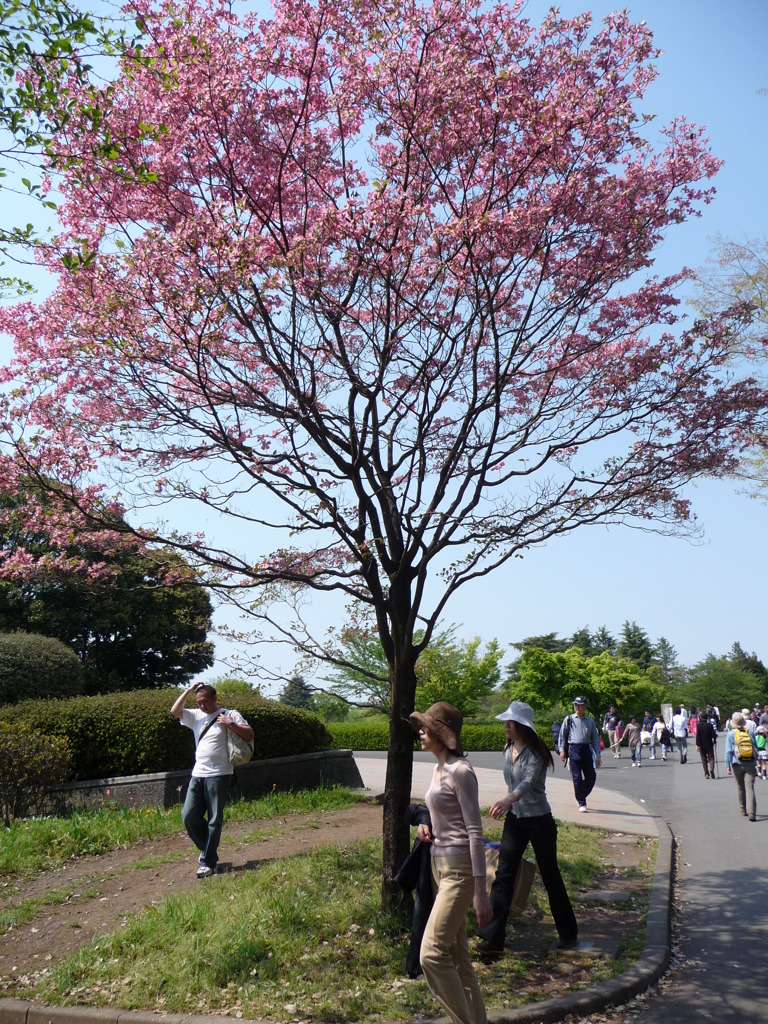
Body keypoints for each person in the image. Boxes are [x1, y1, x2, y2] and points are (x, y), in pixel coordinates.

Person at [409, 702, 492, 1024]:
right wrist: (426, 824)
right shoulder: (438, 768)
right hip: (437, 866)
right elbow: (445, 813)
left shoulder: (461, 771)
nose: (421, 732)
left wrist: (480, 890)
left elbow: (474, 830)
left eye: (426, 728)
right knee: (459, 959)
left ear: (442, 735)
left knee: (431, 954)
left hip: (459, 870)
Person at [475, 701, 578, 957]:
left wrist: (507, 799)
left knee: (550, 875)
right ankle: (493, 940)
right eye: (506, 722)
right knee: (503, 877)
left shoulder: (537, 754)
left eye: (511, 722)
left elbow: (529, 782)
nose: (506, 726)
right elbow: (513, 784)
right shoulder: (507, 749)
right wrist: (508, 803)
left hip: (539, 820)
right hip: (515, 820)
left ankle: (568, 933)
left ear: (523, 725)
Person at [171, 681, 254, 877]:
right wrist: (189, 690)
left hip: (221, 774)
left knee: (214, 820)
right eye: (199, 702)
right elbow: (175, 711)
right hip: (198, 774)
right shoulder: (196, 715)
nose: (202, 706)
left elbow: (249, 734)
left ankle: (208, 862)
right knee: (188, 815)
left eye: (205, 701)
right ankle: (208, 850)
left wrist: (230, 724)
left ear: (215, 698)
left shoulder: (230, 714)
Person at [559, 696, 602, 812]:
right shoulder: (569, 719)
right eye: (575, 705)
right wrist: (562, 750)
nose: (577, 707)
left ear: (585, 707)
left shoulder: (590, 721)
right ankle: (581, 801)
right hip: (573, 749)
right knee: (576, 778)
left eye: (580, 705)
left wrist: (598, 755)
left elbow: (595, 740)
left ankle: (580, 794)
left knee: (591, 777)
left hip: (586, 750)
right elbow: (562, 736)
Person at [724, 711, 757, 821]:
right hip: (750, 764)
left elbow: (728, 751)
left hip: (736, 763)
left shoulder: (731, 734)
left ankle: (743, 809)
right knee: (750, 788)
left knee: (740, 787)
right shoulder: (750, 733)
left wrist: (727, 765)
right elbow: (755, 748)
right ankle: (751, 812)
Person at [695, 711, 716, 779]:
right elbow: (713, 734)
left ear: (701, 718)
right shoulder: (709, 725)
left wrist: (697, 744)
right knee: (711, 757)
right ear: (707, 718)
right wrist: (715, 740)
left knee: (703, 759)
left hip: (701, 744)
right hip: (709, 744)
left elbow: (697, 736)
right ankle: (711, 769)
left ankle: (706, 774)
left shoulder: (699, 725)